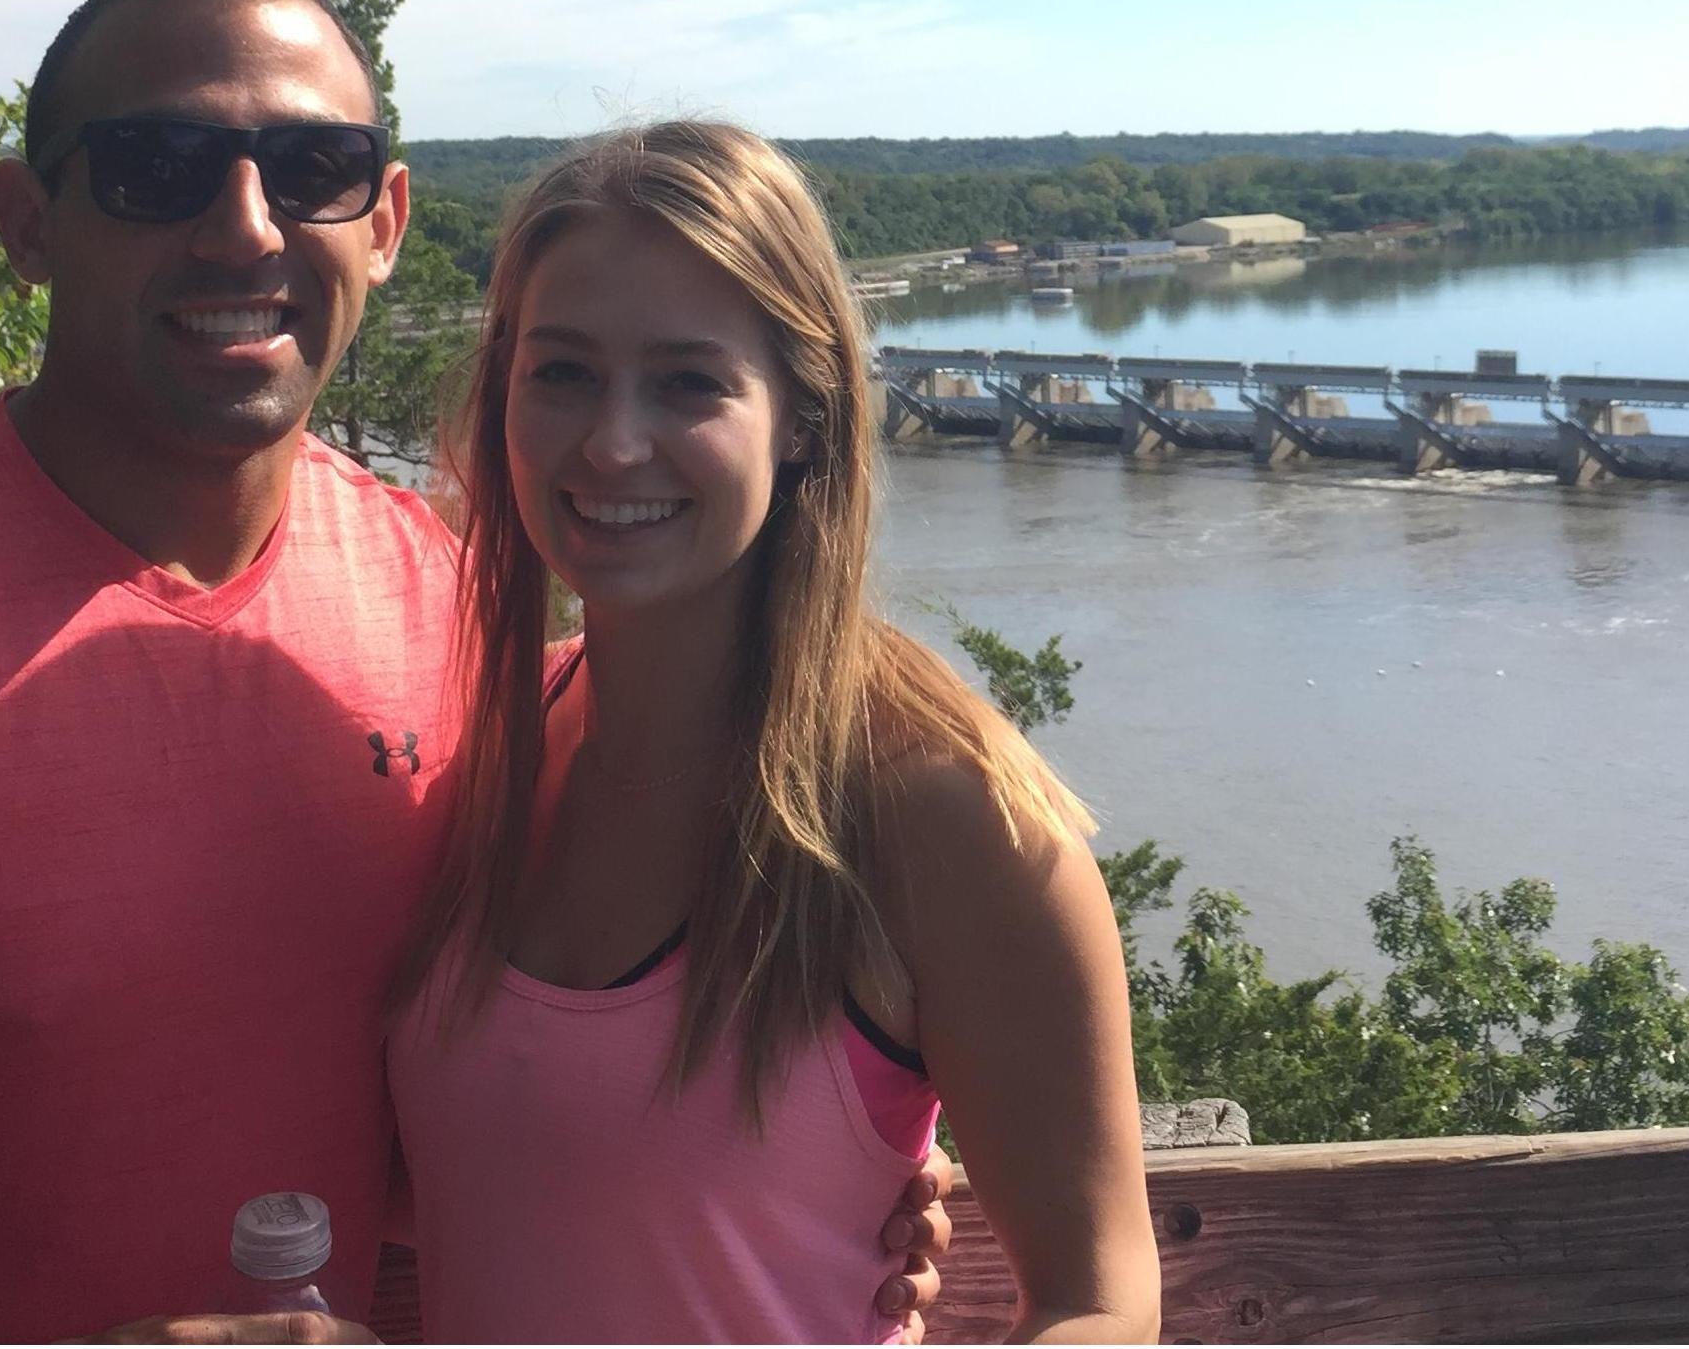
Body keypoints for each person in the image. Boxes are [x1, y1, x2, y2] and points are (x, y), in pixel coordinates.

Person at [0, 0, 950, 1342]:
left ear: (385, 220)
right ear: (26, 221)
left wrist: (829, 1163)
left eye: (312, 168)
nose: (244, 226)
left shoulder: (449, 607)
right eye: (154, 164)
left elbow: (479, 1076)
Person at [389, 121, 1162, 1343]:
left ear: (802, 416)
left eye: (689, 380)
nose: (613, 441)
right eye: (563, 371)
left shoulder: (940, 814)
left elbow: (1098, 1302)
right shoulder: (490, 751)